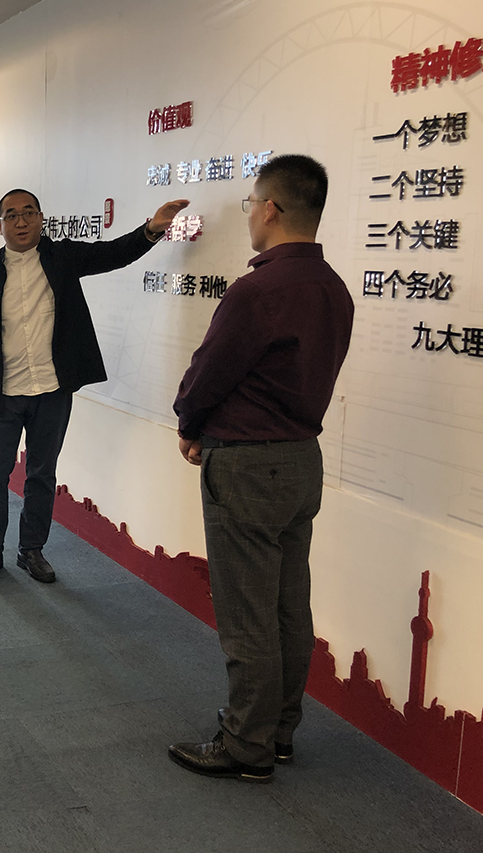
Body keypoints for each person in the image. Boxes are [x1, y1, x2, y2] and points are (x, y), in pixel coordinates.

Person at [168, 155, 354, 783]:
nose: (249, 214)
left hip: (247, 464)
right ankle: (278, 733)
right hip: (301, 461)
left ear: (271, 209)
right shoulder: (333, 287)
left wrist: (191, 424)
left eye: (251, 203)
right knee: (287, 608)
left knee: (248, 614)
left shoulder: (257, 291)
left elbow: (208, 373)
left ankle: (245, 745)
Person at [0, 189, 188, 585]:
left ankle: (32, 550)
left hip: (52, 389)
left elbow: (113, 253)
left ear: (41, 218)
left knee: (42, 474)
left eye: (29, 213)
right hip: (3, 391)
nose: (21, 221)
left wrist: (151, 229)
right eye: (11, 215)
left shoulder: (62, 257)